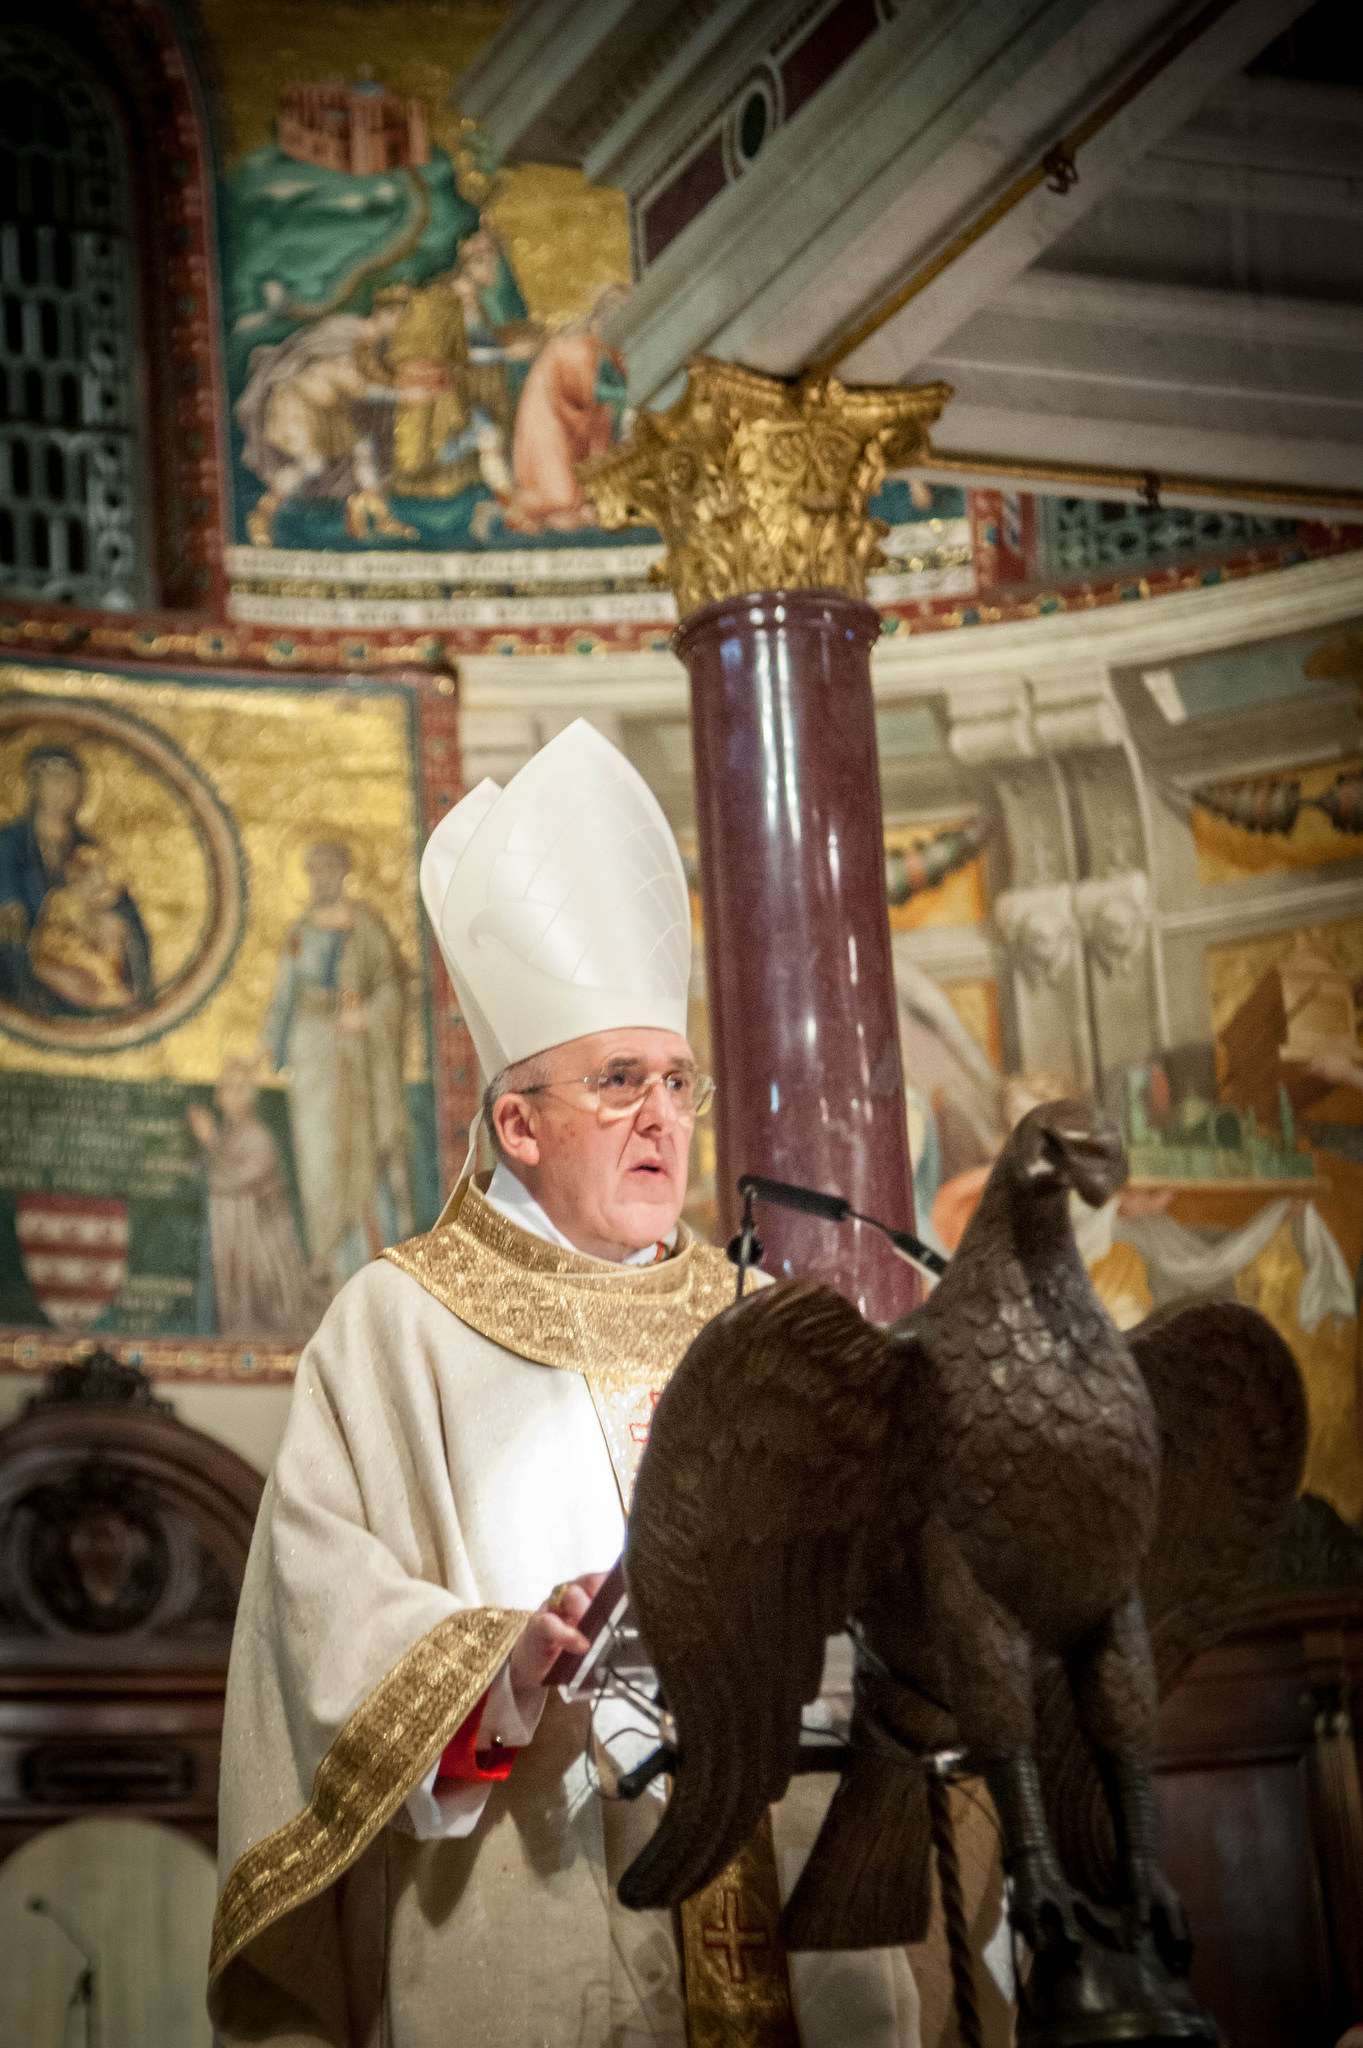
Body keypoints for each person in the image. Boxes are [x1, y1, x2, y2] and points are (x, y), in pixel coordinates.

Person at [209, 721, 928, 2048]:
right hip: (535, 1910)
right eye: (617, 1082)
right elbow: (319, 1611)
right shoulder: (398, 1327)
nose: (662, 1115)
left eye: (676, 1080)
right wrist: (502, 1664)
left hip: (786, 1889)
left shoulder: (763, 1325)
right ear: (518, 1123)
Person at [260, 840, 412, 1288]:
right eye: (315, 869)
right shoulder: (300, 930)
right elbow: (285, 991)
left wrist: (366, 1015)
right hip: (311, 1049)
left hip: (357, 1052)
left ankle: (367, 1255)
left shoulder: (366, 926)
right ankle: (327, 1254)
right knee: (318, 1152)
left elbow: (394, 986)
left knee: (363, 1145)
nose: (321, 877)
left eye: (329, 868)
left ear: (344, 872)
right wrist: (270, 1044)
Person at [0, 744, 151, 1016]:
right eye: (54, 779)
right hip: (28, 965)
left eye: (71, 782)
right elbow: (8, 902)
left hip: (86, 961)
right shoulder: (10, 843)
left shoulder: (89, 849)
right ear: (34, 785)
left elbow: (126, 914)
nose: (63, 790)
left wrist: (116, 922)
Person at [189, 1058, 321, 1342]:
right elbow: (216, 1171)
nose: (228, 1096)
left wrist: (210, 1141)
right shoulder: (232, 1134)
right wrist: (212, 1143)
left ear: (248, 1094)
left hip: (263, 1246)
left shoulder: (257, 1136)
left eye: (236, 1088)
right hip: (238, 1241)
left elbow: (235, 1179)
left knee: (270, 1315)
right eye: (225, 1088)